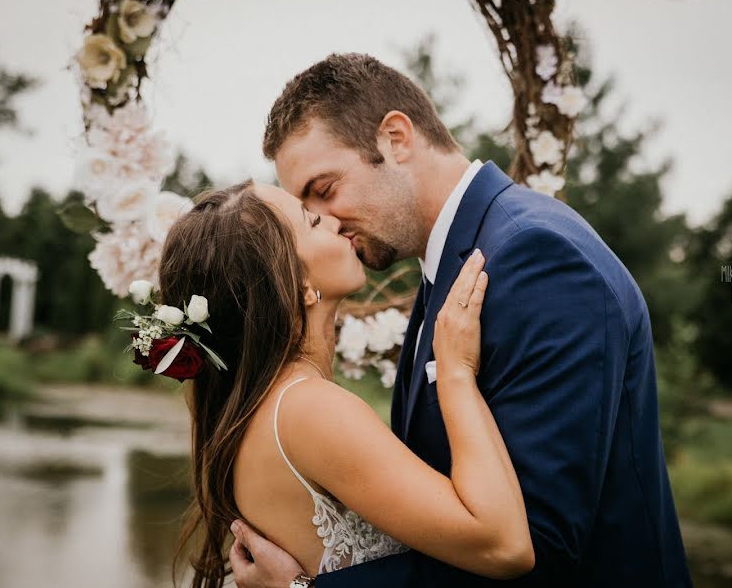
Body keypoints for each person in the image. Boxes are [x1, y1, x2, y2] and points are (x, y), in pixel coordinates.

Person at [228, 53, 692, 587]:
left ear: (396, 139)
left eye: (325, 190)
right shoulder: (451, 262)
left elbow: (538, 547)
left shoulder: (536, 258)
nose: (326, 223)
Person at [160, 180, 535, 587]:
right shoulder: (310, 409)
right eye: (313, 221)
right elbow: (505, 548)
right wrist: (456, 373)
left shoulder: (260, 408)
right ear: (297, 284)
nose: (336, 222)